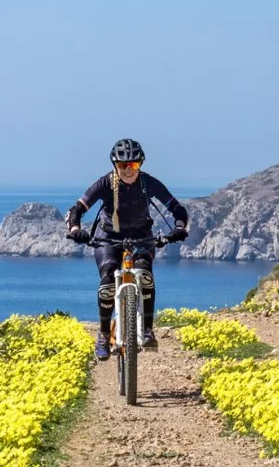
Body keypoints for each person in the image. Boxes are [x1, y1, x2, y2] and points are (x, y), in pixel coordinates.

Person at [65, 138, 189, 361]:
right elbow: (77, 209)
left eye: (133, 165)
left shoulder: (148, 183)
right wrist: (75, 229)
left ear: (140, 164)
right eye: (123, 165)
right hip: (108, 238)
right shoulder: (104, 183)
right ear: (115, 165)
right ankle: (103, 335)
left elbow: (177, 209)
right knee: (107, 280)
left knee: (145, 276)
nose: (128, 170)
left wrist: (179, 228)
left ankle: (148, 330)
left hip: (142, 237)